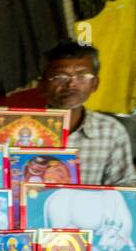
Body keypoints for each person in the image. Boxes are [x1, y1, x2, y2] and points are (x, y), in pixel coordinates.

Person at [38, 41, 136, 188]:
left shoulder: (111, 131)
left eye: (82, 76)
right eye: (60, 77)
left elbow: (124, 187)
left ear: (95, 84)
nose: (71, 84)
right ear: (42, 85)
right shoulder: (17, 129)